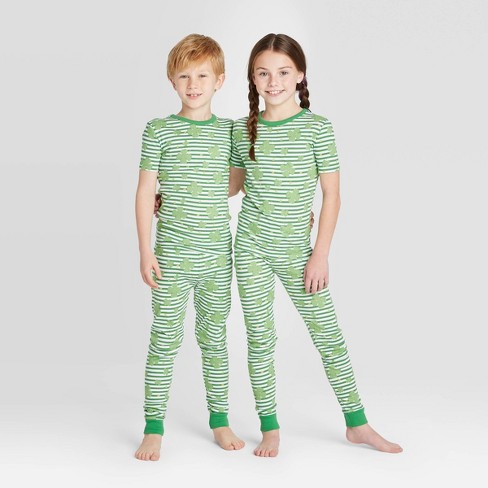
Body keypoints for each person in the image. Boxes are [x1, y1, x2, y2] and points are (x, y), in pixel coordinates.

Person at [229, 33, 403, 457]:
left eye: (283, 72)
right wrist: (168, 196)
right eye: (263, 73)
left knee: (328, 335)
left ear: (300, 75)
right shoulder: (241, 129)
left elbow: (332, 195)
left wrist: (320, 254)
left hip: (298, 252)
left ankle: (357, 424)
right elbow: (232, 186)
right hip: (251, 247)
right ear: (252, 78)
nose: (273, 82)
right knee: (260, 339)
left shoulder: (317, 128)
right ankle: (270, 427)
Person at [134, 34, 245, 461]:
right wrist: (146, 251)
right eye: (184, 76)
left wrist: (297, 209)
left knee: (214, 340)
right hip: (171, 258)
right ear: (172, 81)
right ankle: (153, 427)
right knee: (164, 340)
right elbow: (145, 191)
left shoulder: (230, 132)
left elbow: (236, 184)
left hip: (216, 257)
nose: (193, 84)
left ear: (220, 80)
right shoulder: (158, 130)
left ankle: (220, 419)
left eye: (202, 76)